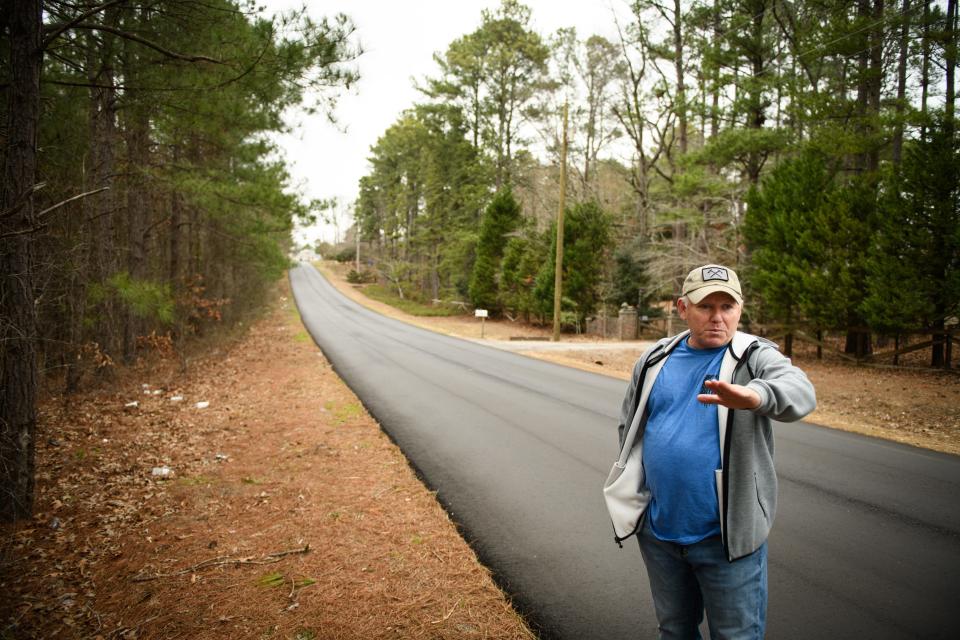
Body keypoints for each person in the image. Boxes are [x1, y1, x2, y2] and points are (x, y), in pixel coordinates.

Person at [602, 264, 816, 640]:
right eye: (705, 307)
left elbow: (800, 392)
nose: (718, 318)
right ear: (682, 309)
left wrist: (755, 396)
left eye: (727, 307)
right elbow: (630, 426)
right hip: (660, 534)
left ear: (740, 309)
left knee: (735, 636)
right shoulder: (654, 359)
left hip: (725, 538)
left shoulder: (753, 358)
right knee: (674, 631)